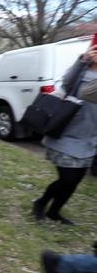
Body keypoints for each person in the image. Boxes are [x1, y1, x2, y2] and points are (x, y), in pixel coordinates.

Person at [32, 44, 97, 225]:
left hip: (90, 137)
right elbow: (71, 87)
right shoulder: (81, 73)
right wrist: (82, 61)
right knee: (67, 178)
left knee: (75, 180)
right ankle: (40, 203)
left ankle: (54, 211)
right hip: (67, 133)